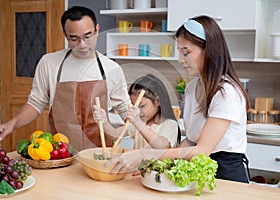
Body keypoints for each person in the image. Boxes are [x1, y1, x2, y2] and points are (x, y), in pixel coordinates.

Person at [107, 15, 250, 183]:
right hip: (197, 171)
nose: (180, 60)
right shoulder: (191, 88)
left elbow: (201, 150)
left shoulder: (226, 93)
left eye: (186, 52)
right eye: (179, 52)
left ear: (209, 50)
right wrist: (155, 163)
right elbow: (190, 141)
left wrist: (146, 155)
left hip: (226, 176)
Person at [0, 6, 130, 151]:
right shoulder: (49, 63)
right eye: (74, 38)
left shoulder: (112, 69)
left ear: (97, 29)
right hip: (61, 153)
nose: (82, 45)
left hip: (100, 156)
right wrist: (11, 124)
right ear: (65, 34)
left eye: (87, 36)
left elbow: (128, 115)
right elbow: (35, 103)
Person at [93, 74, 180, 150]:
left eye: (142, 106)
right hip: (138, 169)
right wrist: (104, 122)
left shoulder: (170, 124)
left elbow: (161, 146)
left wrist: (138, 122)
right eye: (134, 105)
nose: (138, 111)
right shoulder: (141, 122)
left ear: (158, 101)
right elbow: (115, 135)